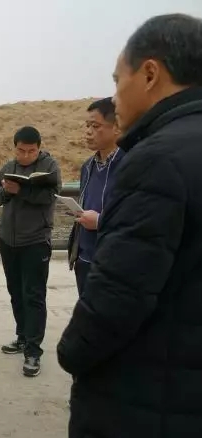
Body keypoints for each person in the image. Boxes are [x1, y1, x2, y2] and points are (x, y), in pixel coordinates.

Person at [57, 13, 202, 438]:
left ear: (150, 74)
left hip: (151, 396)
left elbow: (118, 297)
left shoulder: (156, 159)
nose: (116, 97)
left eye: (118, 80)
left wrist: (72, 352)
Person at [0, 126, 62, 377]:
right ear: (15, 148)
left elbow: (51, 196)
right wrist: (6, 192)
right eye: (21, 151)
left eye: (31, 151)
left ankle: (33, 351)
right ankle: (22, 337)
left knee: (34, 296)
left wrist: (22, 190)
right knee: (16, 292)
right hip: (8, 240)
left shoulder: (50, 166)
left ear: (39, 148)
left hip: (35, 240)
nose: (26, 156)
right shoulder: (8, 168)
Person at [66, 98, 124, 296]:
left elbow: (140, 215)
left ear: (117, 127)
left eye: (95, 126)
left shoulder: (131, 164)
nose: (88, 132)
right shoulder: (87, 167)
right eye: (87, 125)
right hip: (84, 260)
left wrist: (100, 221)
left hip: (115, 263)